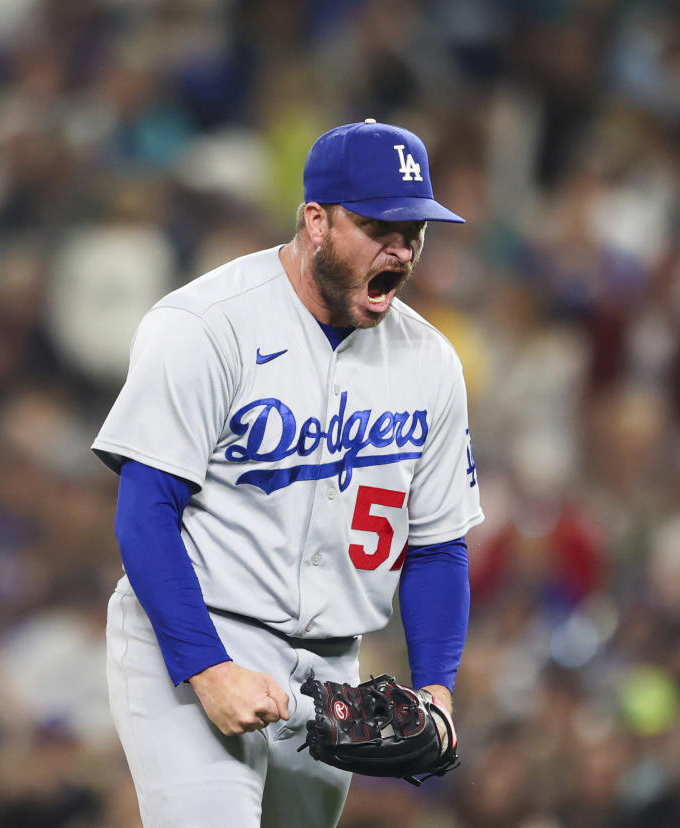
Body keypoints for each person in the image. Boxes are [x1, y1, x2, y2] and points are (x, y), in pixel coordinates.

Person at [92, 119, 484, 827]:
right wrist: (207, 669)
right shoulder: (207, 324)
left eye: (414, 232)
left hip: (332, 676)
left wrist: (436, 693)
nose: (400, 248)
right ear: (316, 221)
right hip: (195, 632)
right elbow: (144, 510)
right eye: (378, 226)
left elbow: (437, 545)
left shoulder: (429, 362)